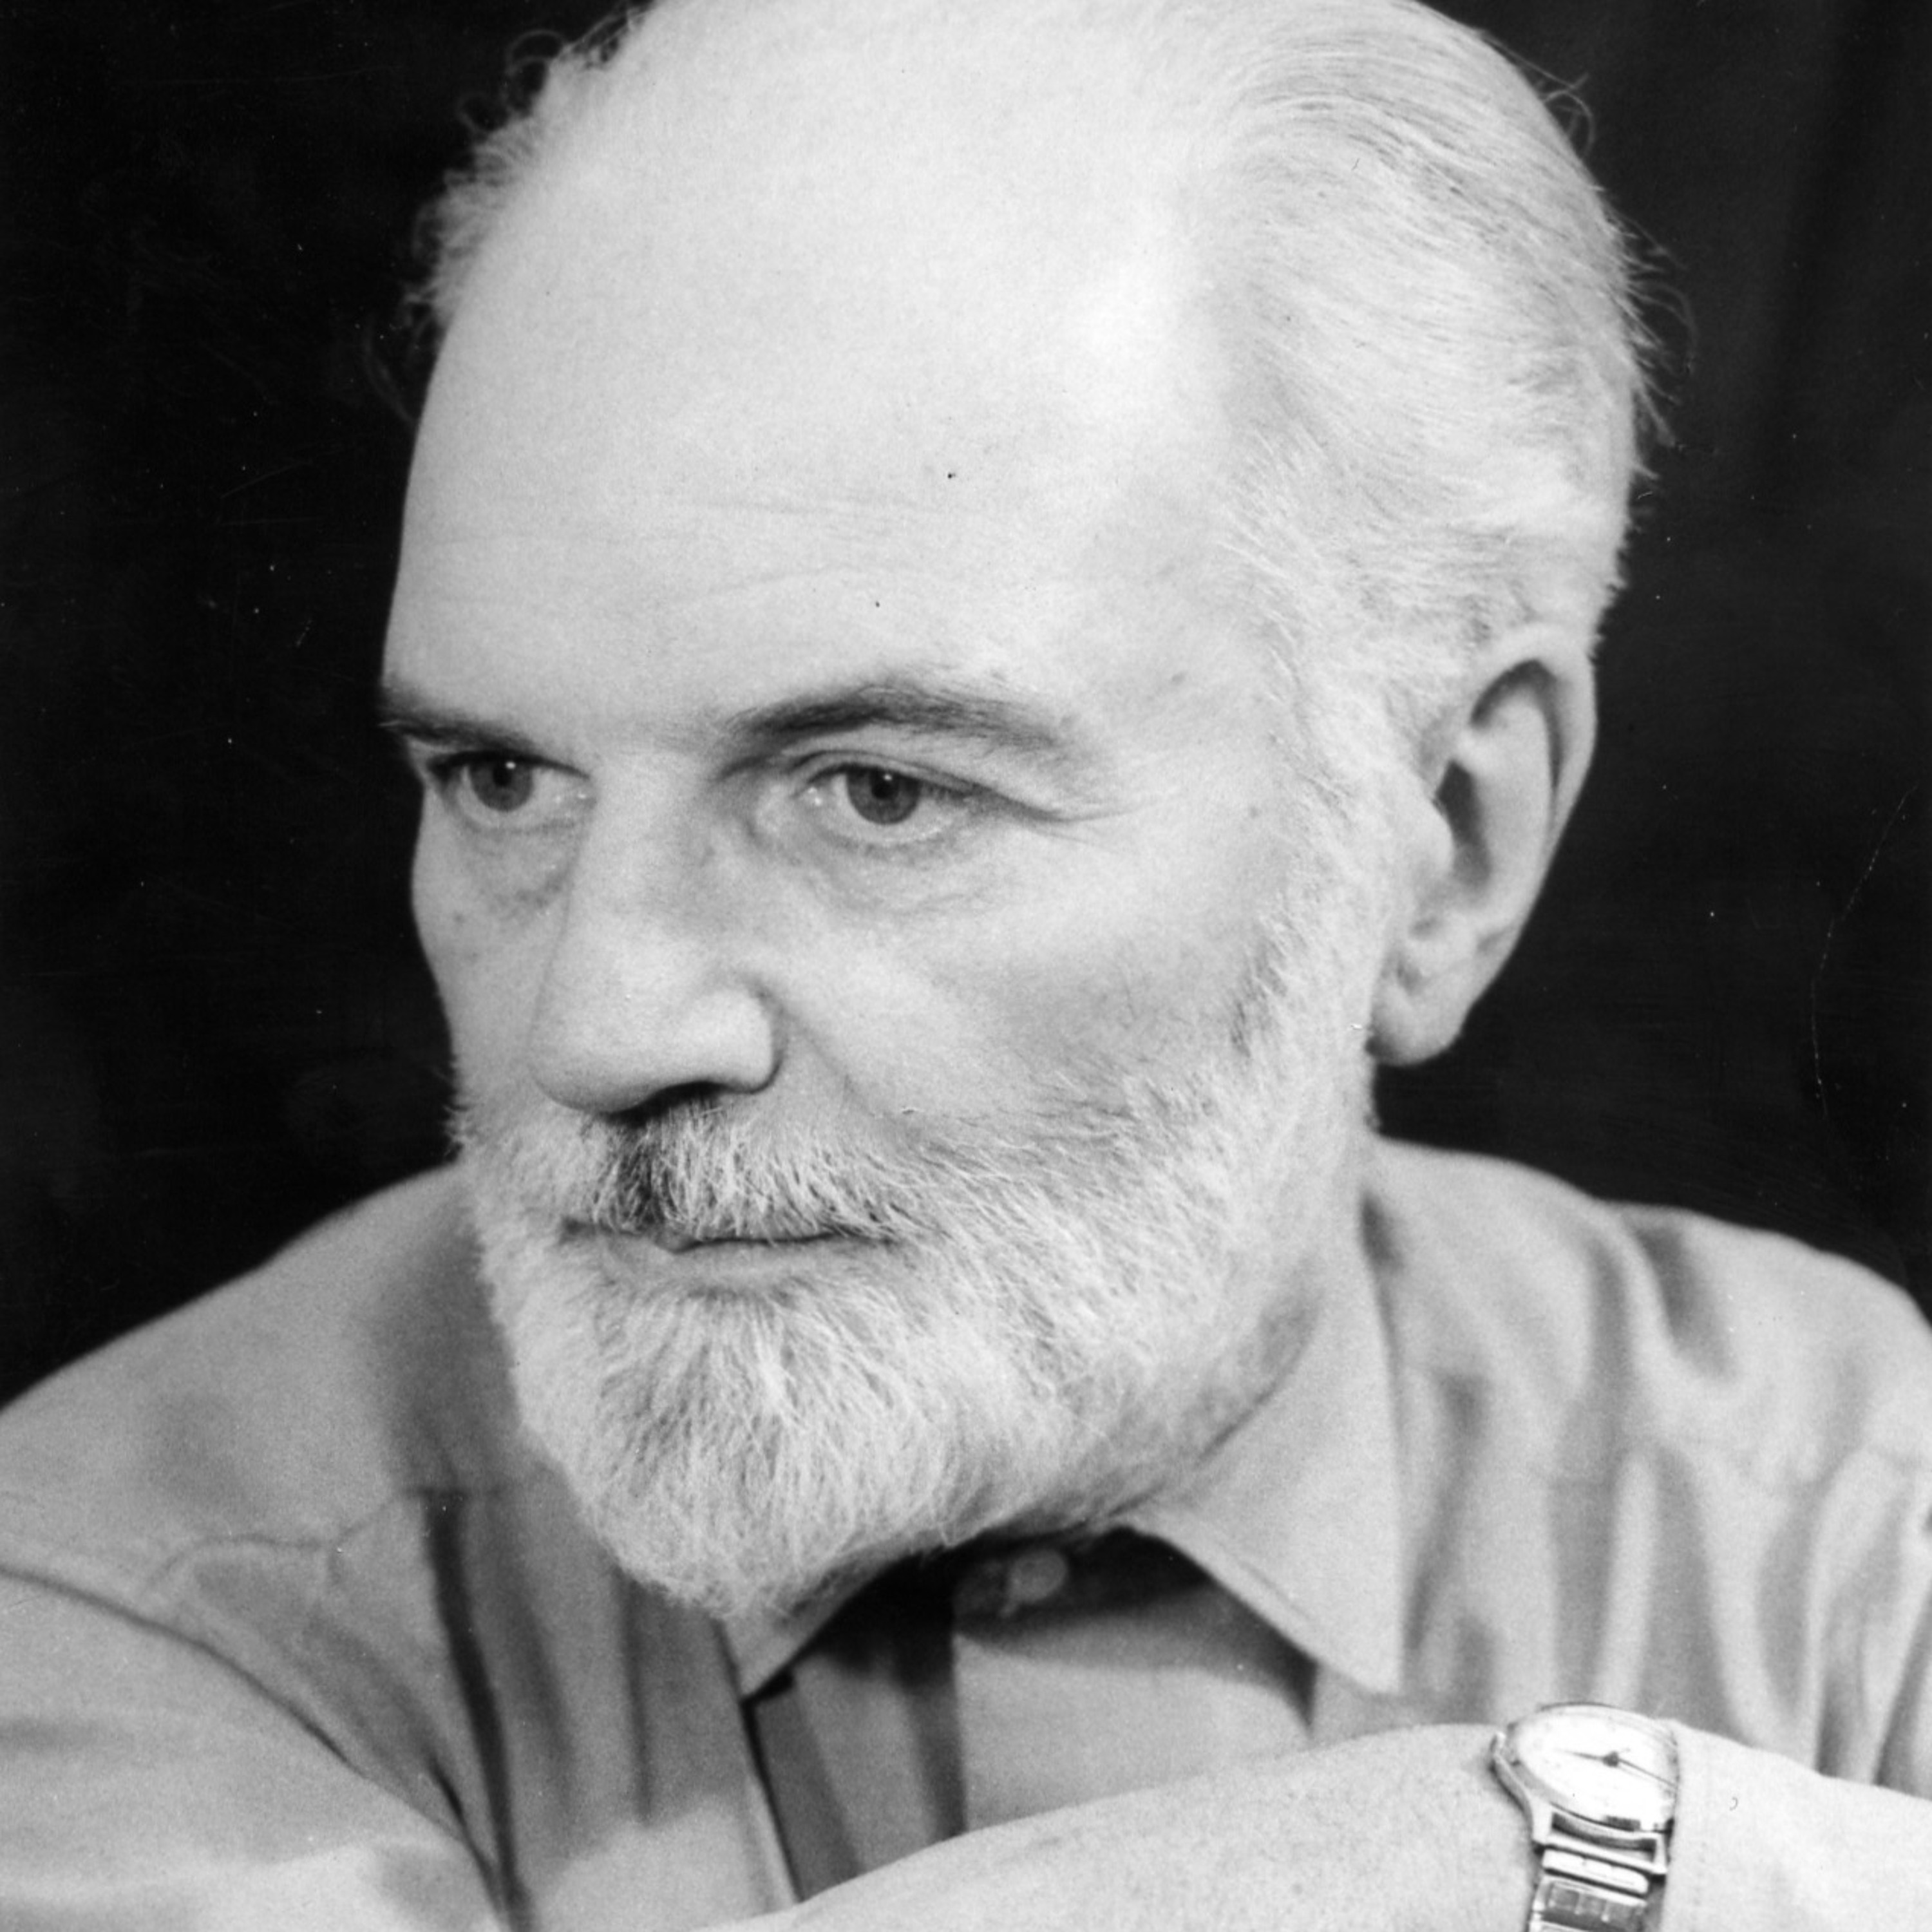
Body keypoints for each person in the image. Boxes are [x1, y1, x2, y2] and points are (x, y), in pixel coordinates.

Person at [1, 0, 1927, 1926]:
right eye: (504, 782)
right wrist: (1554, 1861)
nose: (596, 1024)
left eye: (880, 794)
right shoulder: (105, 1600)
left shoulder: (1853, 1517)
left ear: (1448, 845)